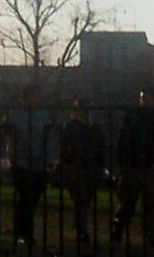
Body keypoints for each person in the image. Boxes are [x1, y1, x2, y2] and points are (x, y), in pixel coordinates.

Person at [0, 80, 53, 252]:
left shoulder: (41, 115)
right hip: (22, 162)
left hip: (36, 162)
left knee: (30, 199)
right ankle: (24, 233)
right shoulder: (17, 114)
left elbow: (48, 137)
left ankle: (22, 231)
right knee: (26, 198)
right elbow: (8, 133)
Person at [58, 99, 105, 245]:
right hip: (78, 166)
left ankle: (80, 227)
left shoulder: (77, 127)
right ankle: (81, 228)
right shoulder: (79, 127)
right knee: (81, 198)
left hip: (86, 167)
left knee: (83, 199)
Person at [113, 85, 154, 246]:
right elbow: (124, 141)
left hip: (142, 164)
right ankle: (120, 226)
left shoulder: (133, 116)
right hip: (136, 165)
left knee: (145, 203)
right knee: (130, 202)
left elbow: (123, 140)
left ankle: (148, 234)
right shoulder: (134, 117)